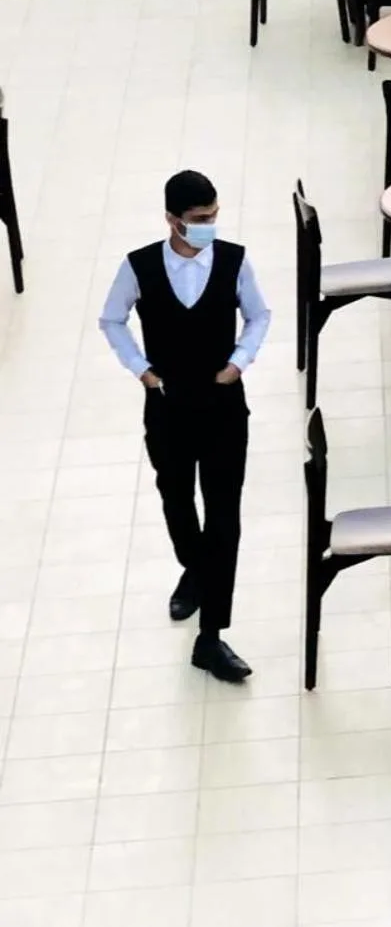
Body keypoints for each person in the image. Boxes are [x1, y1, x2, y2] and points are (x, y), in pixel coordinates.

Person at [99, 170, 269, 683]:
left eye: (214, 215)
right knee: (175, 496)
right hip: (168, 405)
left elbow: (259, 315)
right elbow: (111, 319)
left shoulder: (234, 261)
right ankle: (195, 567)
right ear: (172, 219)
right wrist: (142, 370)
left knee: (224, 515)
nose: (209, 225)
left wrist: (239, 361)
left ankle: (211, 636)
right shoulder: (140, 266)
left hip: (222, 405)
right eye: (199, 218)